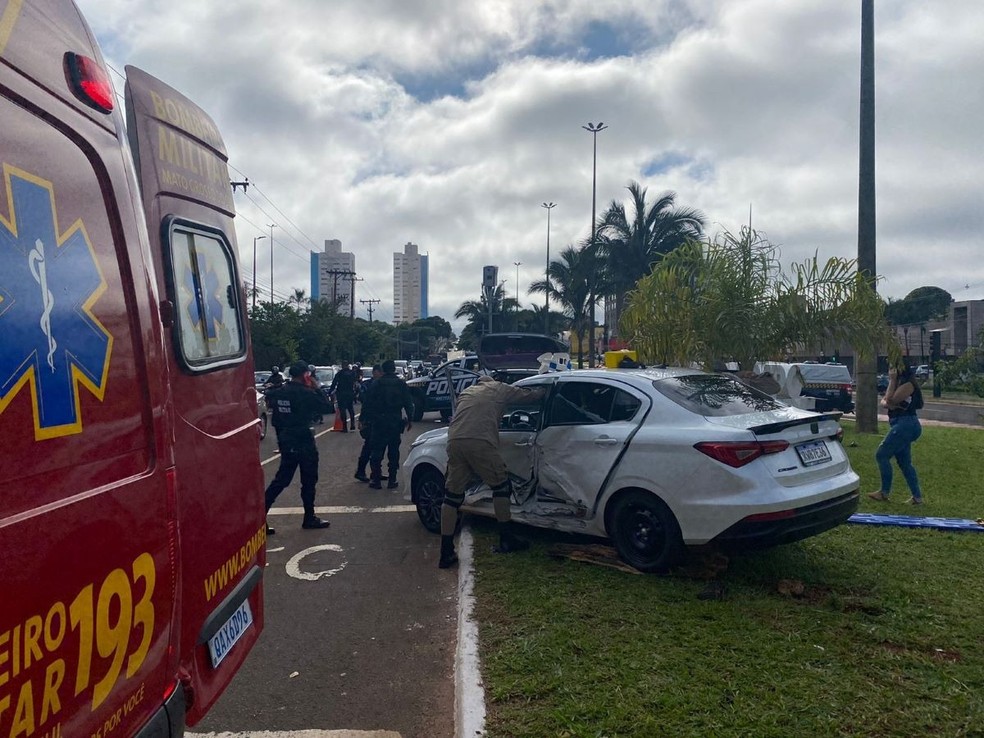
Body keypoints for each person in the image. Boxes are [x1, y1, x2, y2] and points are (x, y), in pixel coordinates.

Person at [438, 374, 546, 569]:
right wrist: (546, 388)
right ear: (493, 380)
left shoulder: (467, 392)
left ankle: (445, 551)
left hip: (454, 441)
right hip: (480, 442)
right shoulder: (499, 388)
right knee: (501, 486)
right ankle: (506, 539)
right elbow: (530, 396)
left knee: (452, 496)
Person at [263, 361, 334, 533]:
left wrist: (282, 440)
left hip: (287, 439)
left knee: (281, 480)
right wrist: (316, 387)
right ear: (305, 375)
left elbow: (276, 419)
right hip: (303, 439)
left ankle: (260, 517)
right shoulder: (305, 392)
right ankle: (309, 517)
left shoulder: (280, 392)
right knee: (308, 480)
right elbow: (327, 406)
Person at [868, 365, 924, 505]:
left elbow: (890, 400)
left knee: (881, 454)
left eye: (893, 367)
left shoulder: (908, 385)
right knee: (904, 462)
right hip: (900, 424)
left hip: (906, 424)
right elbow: (885, 402)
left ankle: (884, 492)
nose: (890, 370)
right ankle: (917, 497)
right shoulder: (899, 384)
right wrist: (888, 400)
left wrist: (892, 381)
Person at [361, 359, 414, 489]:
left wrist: (363, 419)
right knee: (394, 451)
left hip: (379, 421)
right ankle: (392, 479)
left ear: (383, 370)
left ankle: (376, 480)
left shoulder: (377, 384)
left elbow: (367, 403)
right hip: (395, 420)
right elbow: (408, 403)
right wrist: (410, 419)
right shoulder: (401, 384)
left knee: (377, 451)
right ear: (394, 369)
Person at [354, 364, 383, 482]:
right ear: (375, 372)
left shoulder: (379, 385)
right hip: (370, 419)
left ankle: (376, 472)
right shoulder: (369, 385)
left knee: (378, 447)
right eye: (379, 372)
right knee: (369, 447)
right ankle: (360, 471)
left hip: (377, 419)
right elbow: (365, 403)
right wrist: (362, 420)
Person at [329, 362, 359, 432]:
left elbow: (334, 383)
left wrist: (330, 392)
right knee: (350, 409)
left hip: (341, 393)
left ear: (342, 366)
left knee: (342, 410)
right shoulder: (352, 373)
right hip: (350, 393)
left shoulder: (339, 373)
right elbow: (356, 383)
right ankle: (352, 424)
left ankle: (344, 427)